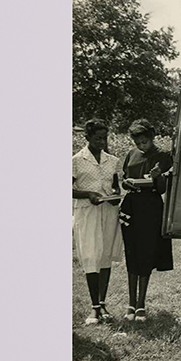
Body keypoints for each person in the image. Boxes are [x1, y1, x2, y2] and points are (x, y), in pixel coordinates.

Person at [117, 118, 173, 323]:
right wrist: (127, 183)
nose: (141, 146)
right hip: (131, 206)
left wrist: (158, 177)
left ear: (152, 138)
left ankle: (141, 304)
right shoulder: (131, 155)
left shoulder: (163, 156)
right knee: (132, 254)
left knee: (147, 254)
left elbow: (161, 188)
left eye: (144, 142)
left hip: (150, 208)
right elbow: (124, 179)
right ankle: (131, 303)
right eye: (137, 142)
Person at [72, 119, 122, 325]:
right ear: (87, 138)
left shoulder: (113, 161)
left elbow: (116, 186)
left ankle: (102, 303)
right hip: (87, 212)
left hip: (108, 212)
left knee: (104, 256)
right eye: (97, 138)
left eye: (104, 138)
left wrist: (116, 196)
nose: (102, 142)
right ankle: (93, 308)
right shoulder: (76, 160)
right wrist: (88, 194)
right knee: (91, 254)